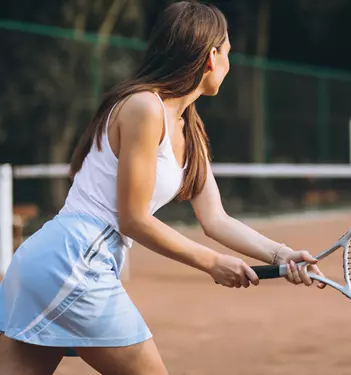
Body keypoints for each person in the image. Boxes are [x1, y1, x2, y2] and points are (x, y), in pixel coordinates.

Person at [0, 2, 326, 374]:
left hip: (55, 262)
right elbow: (134, 219)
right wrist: (212, 262)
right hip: (74, 261)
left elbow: (215, 218)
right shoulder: (144, 107)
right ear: (211, 56)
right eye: (229, 54)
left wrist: (282, 255)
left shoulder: (190, 129)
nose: (230, 65)